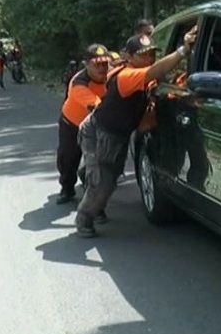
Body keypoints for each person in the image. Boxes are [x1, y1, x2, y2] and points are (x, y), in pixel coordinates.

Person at [74, 27, 197, 237]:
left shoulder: (142, 75)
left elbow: (164, 80)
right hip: (98, 132)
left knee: (109, 178)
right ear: (130, 57)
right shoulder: (128, 75)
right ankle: (84, 219)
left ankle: (92, 189)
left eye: (152, 53)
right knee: (102, 181)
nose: (150, 57)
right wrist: (183, 50)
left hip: (117, 135)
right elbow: (154, 72)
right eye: (143, 54)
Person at [56, 44, 111, 205]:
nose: (102, 68)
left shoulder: (112, 74)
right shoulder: (79, 83)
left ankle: (91, 185)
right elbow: (98, 107)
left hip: (96, 125)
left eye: (104, 64)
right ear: (87, 65)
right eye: (97, 65)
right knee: (68, 158)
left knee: (98, 160)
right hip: (72, 123)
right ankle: (67, 188)